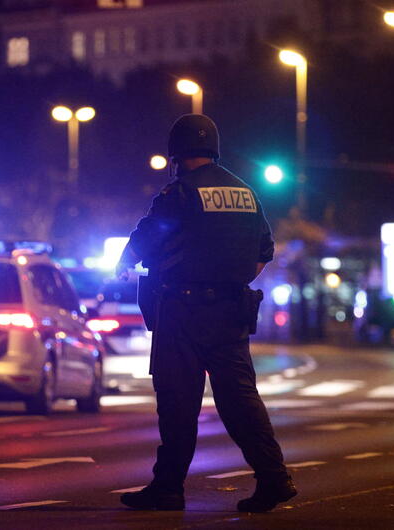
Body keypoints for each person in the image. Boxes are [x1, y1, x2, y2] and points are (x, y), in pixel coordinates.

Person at [116, 114, 296, 513]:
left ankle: (168, 488)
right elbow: (264, 251)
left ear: (176, 153)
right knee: (240, 401)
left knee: (178, 401)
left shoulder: (179, 193)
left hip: (182, 310)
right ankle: (274, 478)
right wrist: (231, 280)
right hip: (230, 311)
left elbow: (145, 239)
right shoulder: (245, 192)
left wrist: (125, 263)